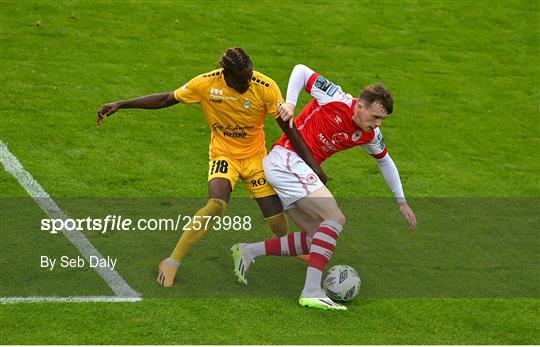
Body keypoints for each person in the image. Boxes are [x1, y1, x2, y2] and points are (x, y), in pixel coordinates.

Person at [97, 49, 321, 287]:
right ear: (226, 75)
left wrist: (312, 164)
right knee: (216, 205)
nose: (247, 83)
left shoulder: (265, 87)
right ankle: (172, 261)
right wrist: (121, 103)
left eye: (249, 76)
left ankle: (288, 245)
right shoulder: (205, 84)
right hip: (223, 154)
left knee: (276, 219)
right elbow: (166, 99)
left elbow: (288, 128)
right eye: (242, 80)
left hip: (255, 158)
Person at [230, 64, 417, 311]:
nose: (378, 124)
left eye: (383, 119)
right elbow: (300, 71)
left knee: (317, 235)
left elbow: (386, 161)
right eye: (375, 117)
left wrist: (401, 201)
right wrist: (291, 104)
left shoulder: (369, 134)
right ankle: (311, 291)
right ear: (360, 106)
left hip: (293, 169)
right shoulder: (335, 97)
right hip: (286, 160)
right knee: (335, 218)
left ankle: (246, 251)